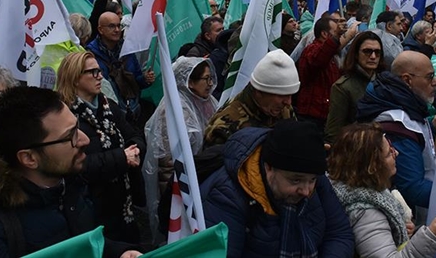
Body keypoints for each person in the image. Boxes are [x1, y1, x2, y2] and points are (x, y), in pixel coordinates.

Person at [0, 87, 143, 257]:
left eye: (77, 127)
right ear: (29, 158)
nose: (84, 140)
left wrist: (118, 253)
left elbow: (83, 243)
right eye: (70, 136)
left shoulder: (67, 180)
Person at [201, 120, 355, 257]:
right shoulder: (227, 195)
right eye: (295, 180)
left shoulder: (312, 176)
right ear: (268, 168)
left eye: (312, 180)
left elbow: (339, 234)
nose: (306, 191)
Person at [329, 123, 436, 258]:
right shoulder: (365, 212)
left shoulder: (367, 191)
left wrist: (397, 230)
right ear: (372, 167)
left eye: (392, 147)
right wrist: (433, 236)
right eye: (388, 153)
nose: (396, 153)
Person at [55, 52, 146, 243]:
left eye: (99, 71)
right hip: (90, 206)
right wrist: (122, 158)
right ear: (75, 77)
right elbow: (74, 165)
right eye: (93, 72)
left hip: (122, 203)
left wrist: (135, 149)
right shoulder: (64, 117)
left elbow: (133, 134)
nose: (100, 76)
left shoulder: (108, 106)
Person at [355, 51, 436, 223]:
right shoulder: (397, 126)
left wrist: (431, 125)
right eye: (429, 77)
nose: (435, 82)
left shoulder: (398, 103)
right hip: (413, 220)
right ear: (407, 80)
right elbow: (413, 188)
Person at [143, 56, 218, 236]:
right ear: (189, 81)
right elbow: (168, 162)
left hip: (199, 177)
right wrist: (176, 196)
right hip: (181, 184)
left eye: (211, 78)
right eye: (205, 78)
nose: (210, 84)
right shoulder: (174, 110)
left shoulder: (205, 101)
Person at [204, 49, 299, 147]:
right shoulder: (225, 127)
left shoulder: (282, 109)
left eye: (290, 95)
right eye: (281, 95)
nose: (288, 102)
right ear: (259, 92)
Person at [87, 11, 156, 132]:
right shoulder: (91, 55)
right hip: (110, 117)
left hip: (133, 113)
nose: (117, 30)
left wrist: (145, 79)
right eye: (111, 26)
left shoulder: (127, 50)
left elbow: (137, 80)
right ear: (100, 29)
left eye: (119, 25)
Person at [325, 31, 385, 143]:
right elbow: (333, 131)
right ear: (356, 54)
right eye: (367, 51)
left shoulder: (384, 82)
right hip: (356, 146)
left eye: (377, 52)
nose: (373, 56)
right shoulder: (343, 87)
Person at [295, 16, 354, 129]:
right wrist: (335, 37)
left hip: (326, 114)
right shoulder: (311, 49)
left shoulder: (334, 55)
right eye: (335, 32)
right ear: (324, 34)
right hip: (312, 116)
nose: (339, 36)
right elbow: (319, 59)